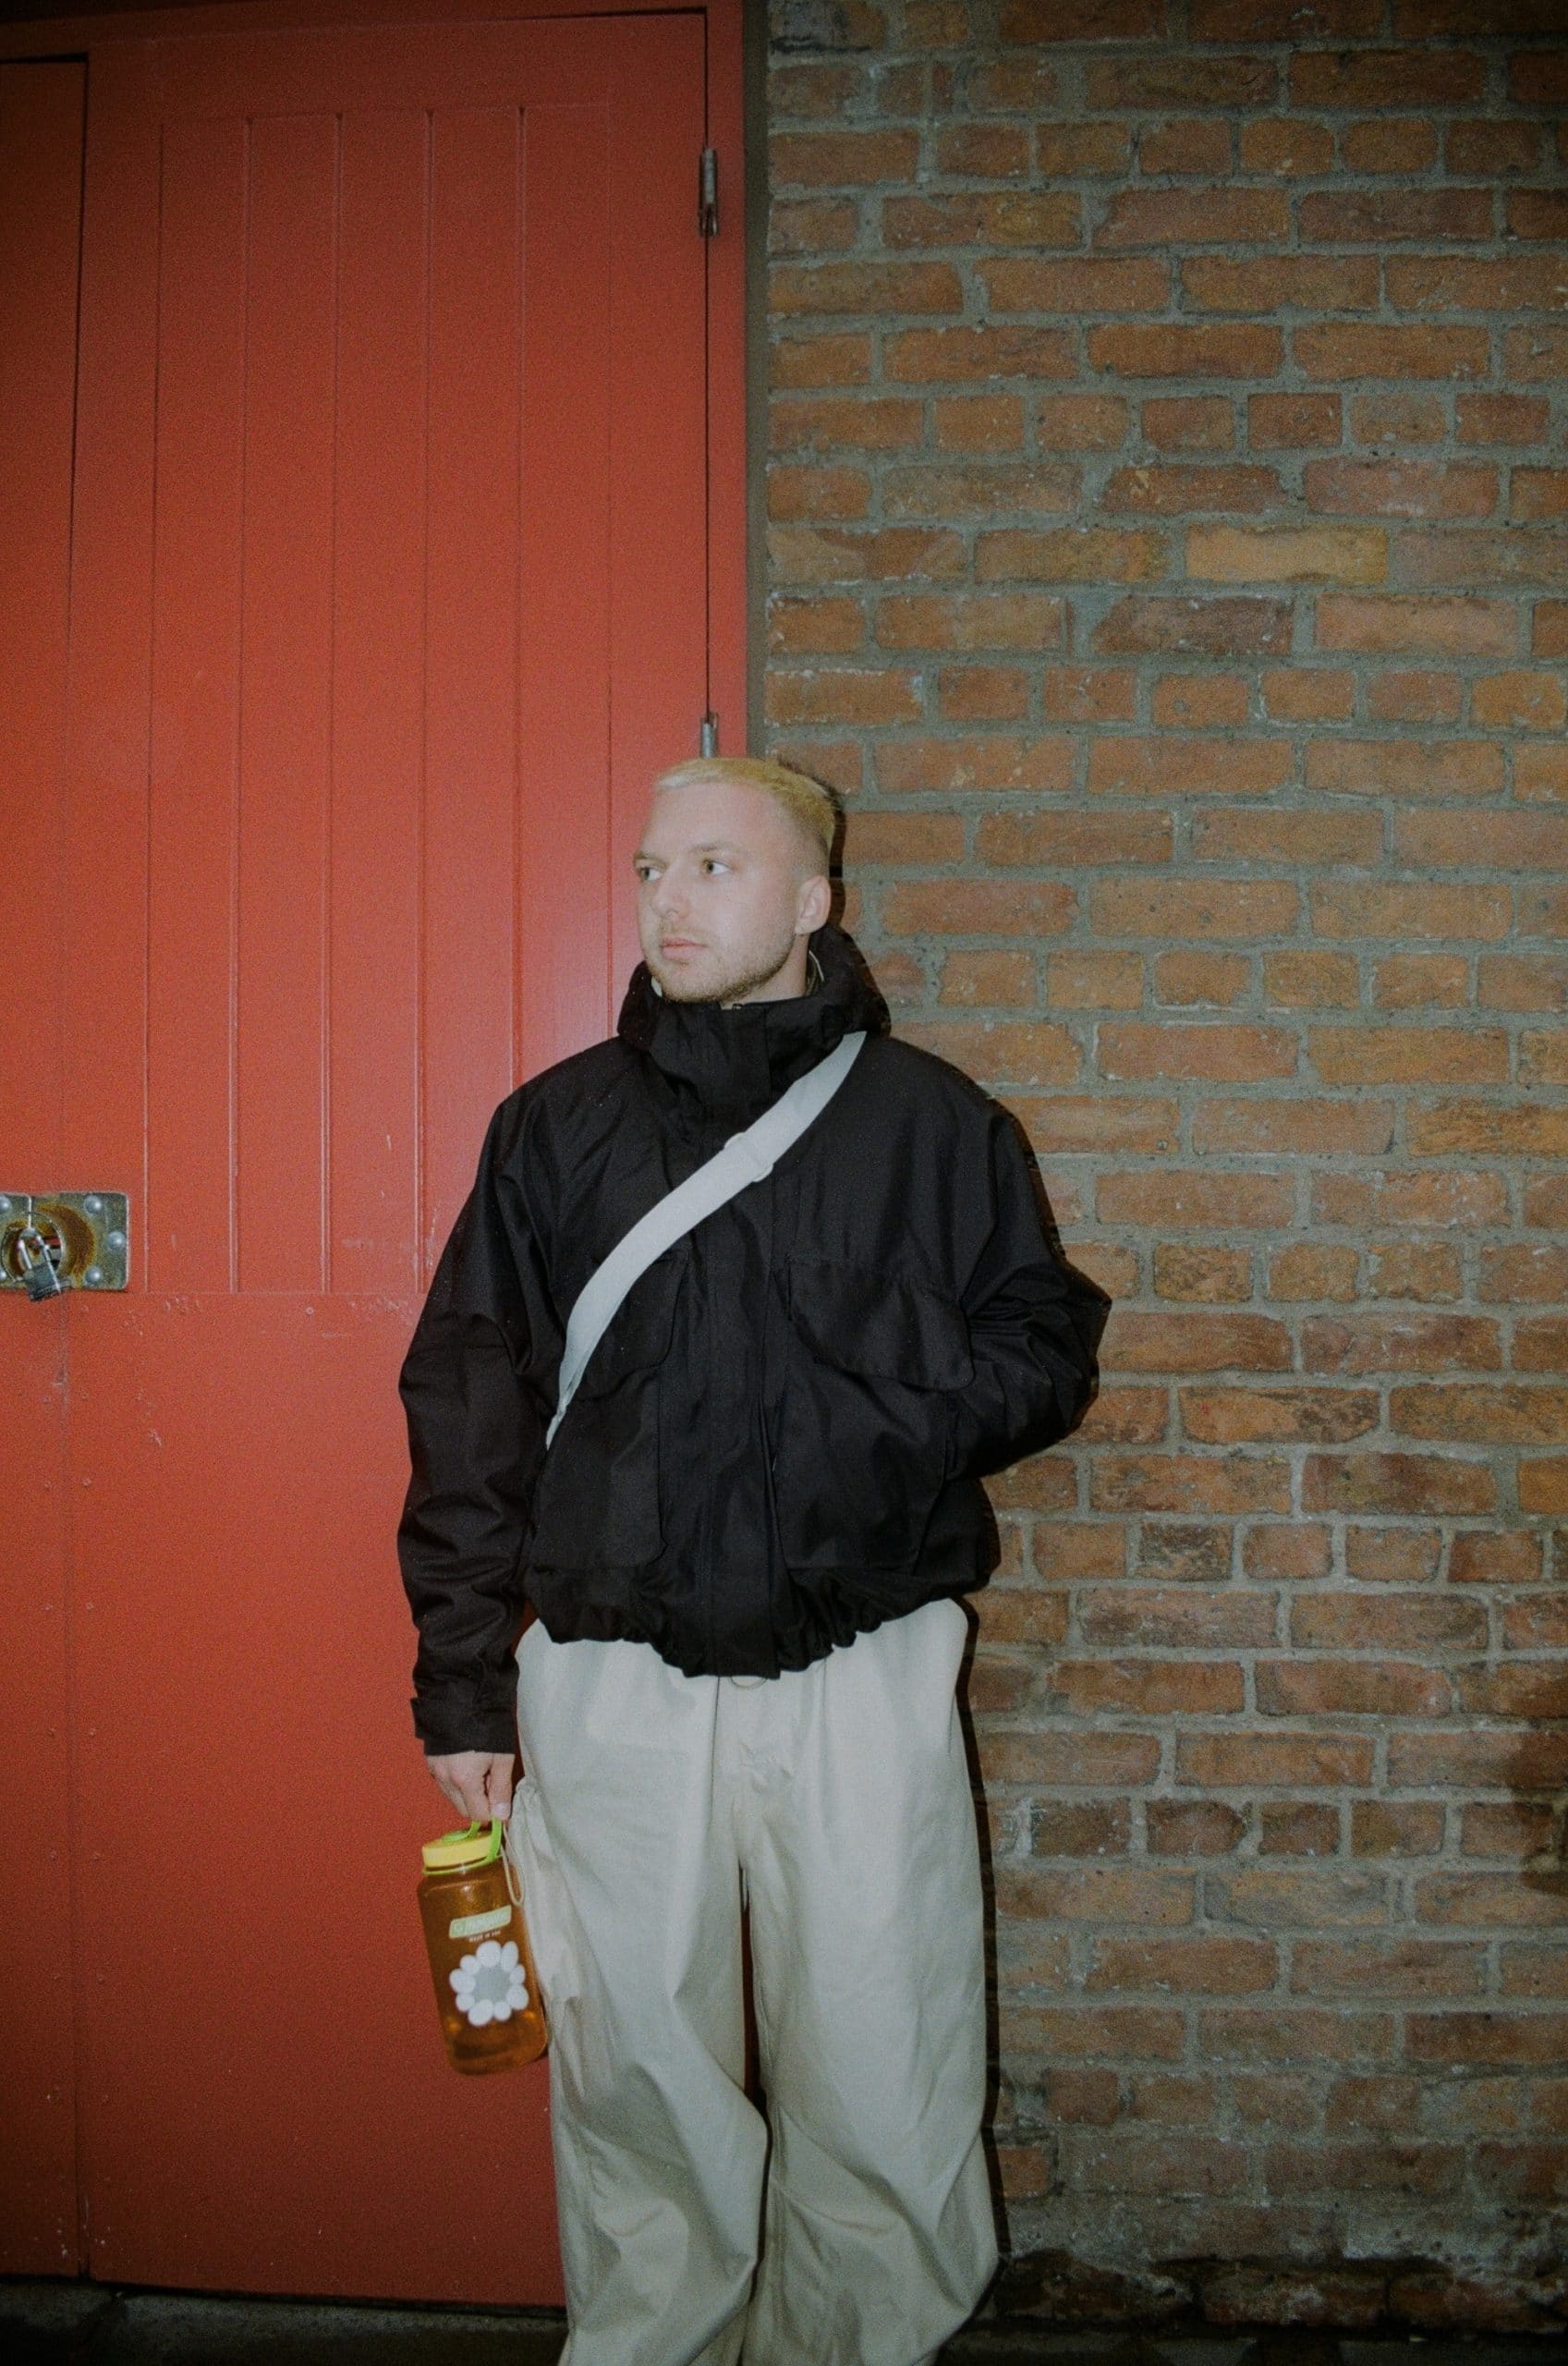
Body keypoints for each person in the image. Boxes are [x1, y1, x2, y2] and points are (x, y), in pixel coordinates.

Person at [395, 755, 1109, 2366]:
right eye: (652, 867)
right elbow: (469, 1406)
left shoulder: (932, 1125)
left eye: (715, 866)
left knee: (881, 2053)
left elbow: (1042, 1346)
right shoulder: (555, 1128)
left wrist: (885, 1418)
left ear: (810, 903)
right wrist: (461, 1684)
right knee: (636, 2071)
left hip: (856, 1666)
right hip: (610, 1670)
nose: (669, 899)